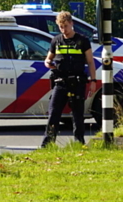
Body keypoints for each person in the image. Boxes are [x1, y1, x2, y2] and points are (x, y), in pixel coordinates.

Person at [41, 11, 96, 147]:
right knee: (54, 113)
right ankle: (47, 144)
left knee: (77, 115)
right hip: (60, 82)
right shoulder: (56, 41)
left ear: (71, 23)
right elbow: (48, 58)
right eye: (61, 26)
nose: (63, 29)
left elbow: (90, 62)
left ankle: (79, 143)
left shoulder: (82, 40)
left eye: (65, 26)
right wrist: (48, 63)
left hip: (77, 82)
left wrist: (93, 81)